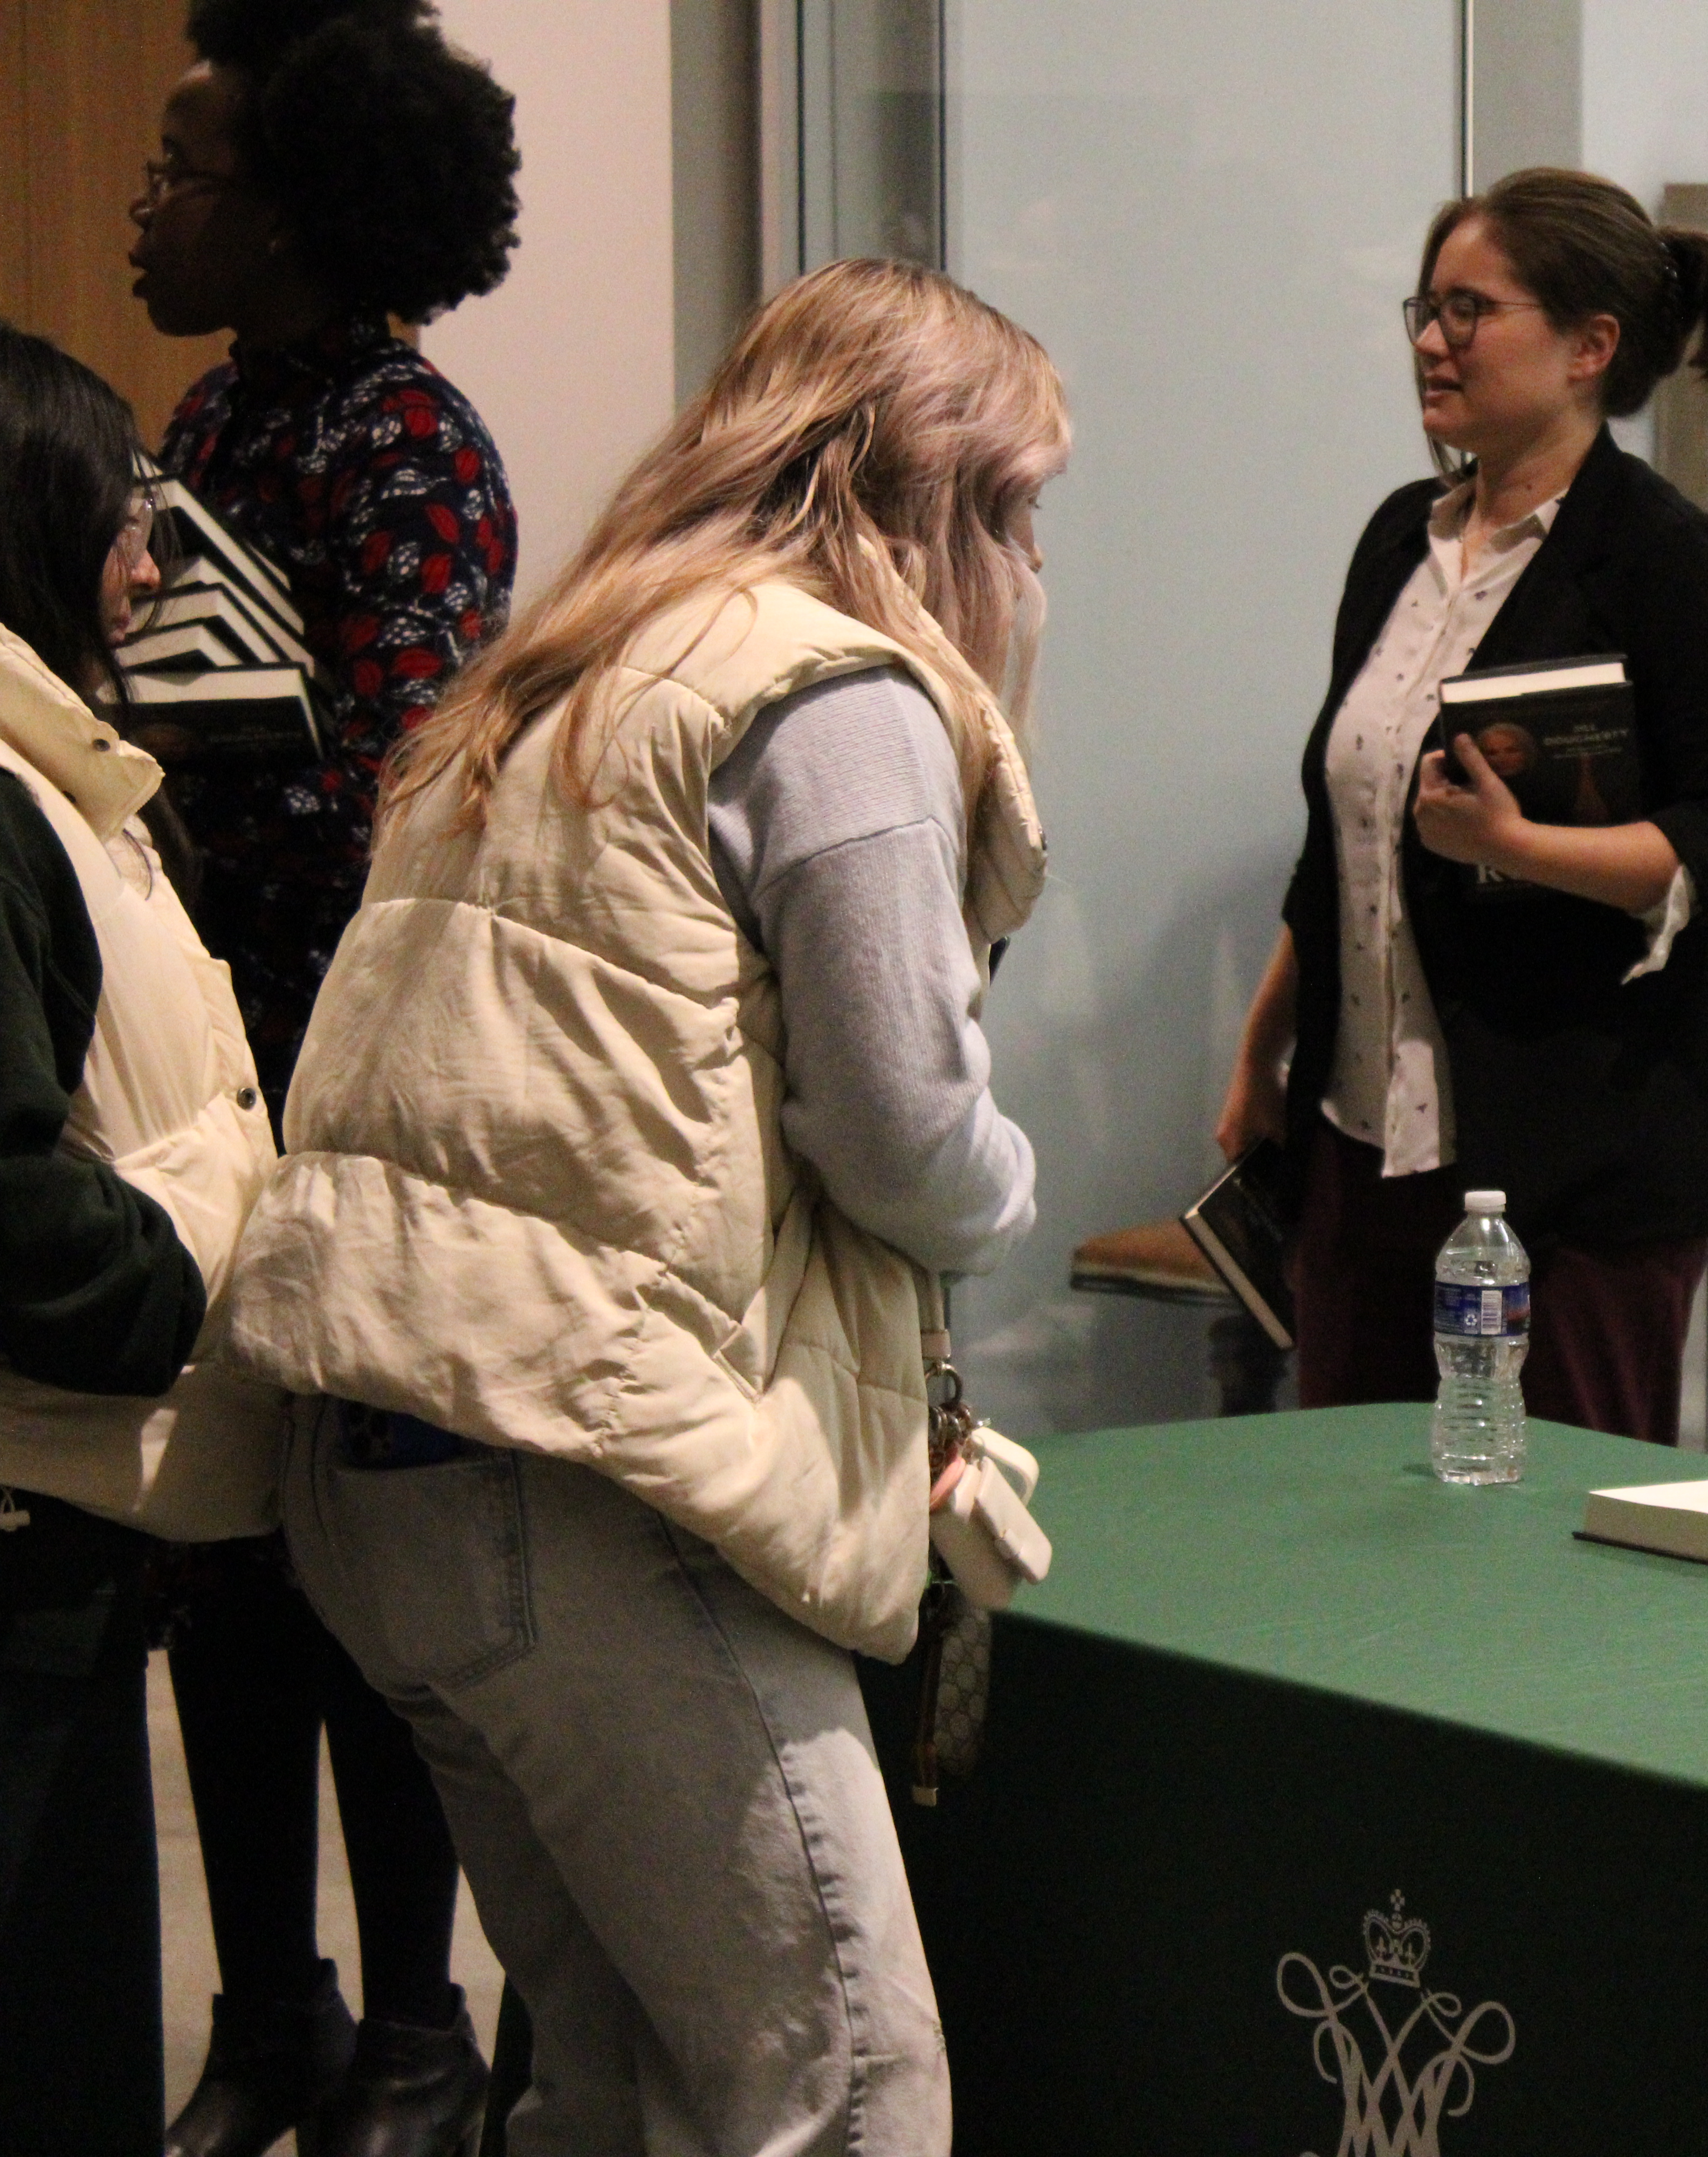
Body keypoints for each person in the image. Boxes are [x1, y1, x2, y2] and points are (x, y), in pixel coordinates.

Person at [222, 256, 1059, 2157]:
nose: (1030, 569)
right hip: (606, 1476)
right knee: (842, 2094)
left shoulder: (576, 657)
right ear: (934, 492)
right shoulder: (836, 691)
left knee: (609, 2090)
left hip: (392, 1476)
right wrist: (1006, 1185)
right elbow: (910, 1132)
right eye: (1020, 507)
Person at [124, 6, 521, 2149]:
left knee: (367, 1583)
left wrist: (182, 785)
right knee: (221, 1567)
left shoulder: (411, 447)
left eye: (182, 172)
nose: (146, 207)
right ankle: (263, 2008)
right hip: (198, 1083)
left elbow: (416, 792)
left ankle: (418, 2031)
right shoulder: (203, 416)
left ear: (298, 206)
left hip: (348, 1089)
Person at [1217, 166, 1708, 1443]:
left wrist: (1519, 847)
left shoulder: (1673, 565)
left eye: (1471, 311)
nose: (1433, 342)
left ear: (1591, 346)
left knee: (1542, 1544)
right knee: (1352, 1517)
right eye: (1425, 310)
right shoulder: (1398, 543)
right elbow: (1346, 841)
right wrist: (1266, 1050)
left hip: (1577, 1163)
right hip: (1362, 1138)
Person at [0, 324, 283, 2157]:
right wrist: (227, 1213)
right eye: (124, 516)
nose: (151, 565)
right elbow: (31, 1238)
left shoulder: (57, 778)